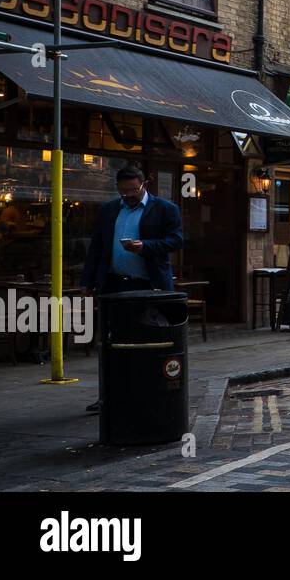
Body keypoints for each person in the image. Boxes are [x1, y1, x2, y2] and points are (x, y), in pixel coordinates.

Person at [82, 165, 184, 414]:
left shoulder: (165, 209)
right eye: (123, 191)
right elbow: (97, 247)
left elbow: (177, 240)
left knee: (152, 342)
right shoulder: (109, 210)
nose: (128, 195)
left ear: (144, 185)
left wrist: (145, 246)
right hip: (114, 284)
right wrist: (88, 281)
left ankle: (148, 393)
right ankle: (108, 395)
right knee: (110, 343)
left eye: (133, 190)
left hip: (149, 285)